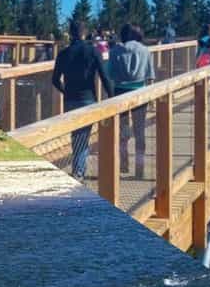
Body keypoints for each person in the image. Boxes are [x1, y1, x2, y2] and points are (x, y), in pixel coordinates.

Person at [52, 20, 115, 181]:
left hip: (70, 100)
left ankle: (79, 170)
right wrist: (112, 97)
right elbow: (104, 76)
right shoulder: (92, 51)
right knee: (82, 137)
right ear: (85, 33)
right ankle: (78, 173)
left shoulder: (63, 53)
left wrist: (65, 91)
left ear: (71, 32)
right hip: (88, 99)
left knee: (79, 137)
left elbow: (55, 80)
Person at [109, 24, 154, 178]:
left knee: (123, 130)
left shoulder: (115, 50)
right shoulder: (145, 50)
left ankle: (123, 164)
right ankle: (139, 169)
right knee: (139, 131)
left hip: (120, 92)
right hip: (140, 92)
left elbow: (110, 74)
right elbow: (150, 76)